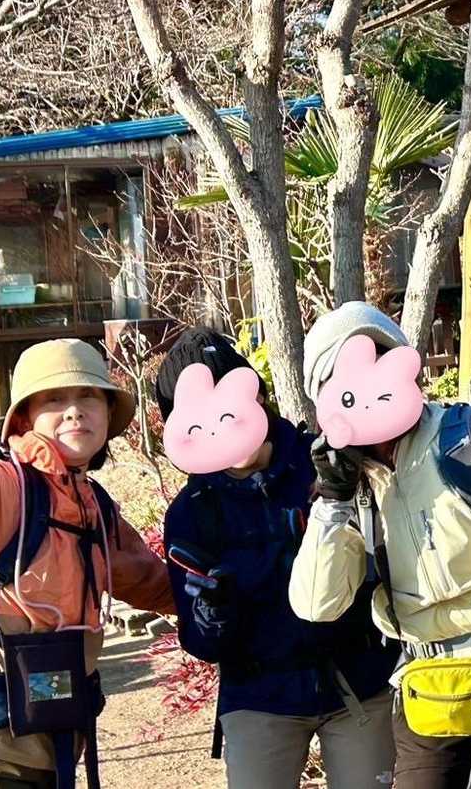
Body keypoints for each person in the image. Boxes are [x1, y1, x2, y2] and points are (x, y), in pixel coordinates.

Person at [287, 302, 471, 789]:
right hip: (426, 690)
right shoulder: (351, 483)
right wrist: (333, 503)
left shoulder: (470, 443)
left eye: (378, 361)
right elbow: (317, 605)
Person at [157, 328, 396, 788]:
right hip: (258, 694)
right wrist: (212, 615)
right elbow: (201, 641)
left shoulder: (325, 463)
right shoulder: (191, 512)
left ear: (257, 395)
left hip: (360, 679)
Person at [0, 339, 174, 788]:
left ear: (108, 414)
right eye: (54, 400)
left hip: (53, 747)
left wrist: (240, 601)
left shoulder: (93, 505)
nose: (75, 411)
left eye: (89, 396)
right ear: (24, 419)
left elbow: (153, 583)